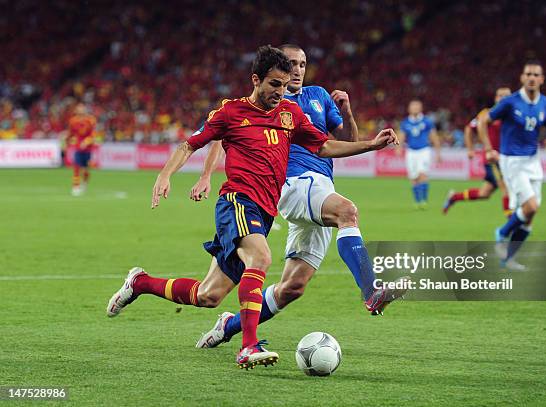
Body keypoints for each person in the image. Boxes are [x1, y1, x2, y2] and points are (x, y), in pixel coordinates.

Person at [106, 45, 398, 370]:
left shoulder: (290, 114)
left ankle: (140, 282)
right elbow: (190, 143)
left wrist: (371, 144)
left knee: (208, 296)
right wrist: (166, 174)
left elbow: (325, 145)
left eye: (285, 85)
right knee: (260, 258)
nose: (280, 92)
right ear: (256, 80)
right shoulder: (230, 112)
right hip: (236, 201)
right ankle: (247, 346)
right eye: (274, 84)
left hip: (264, 210)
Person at [192, 44, 405, 350]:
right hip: (292, 183)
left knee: (292, 287)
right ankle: (372, 292)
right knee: (347, 212)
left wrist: (347, 111)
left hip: (320, 187)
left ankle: (229, 326)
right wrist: (205, 176)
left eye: (302, 64)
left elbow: (345, 142)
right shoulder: (268, 103)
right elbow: (220, 136)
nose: (297, 70)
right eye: (291, 64)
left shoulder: (319, 96)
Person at [479, 61, 546, 270]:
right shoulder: (510, 102)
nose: (532, 77)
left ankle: (508, 259)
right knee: (531, 206)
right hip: (512, 161)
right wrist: (488, 149)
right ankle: (502, 232)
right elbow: (482, 122)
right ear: (522, 78)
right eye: (528, 74)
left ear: (542, 79)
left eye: (536, 74)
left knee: (530, 217)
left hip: (533, 161)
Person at [442, 87, 512, 215]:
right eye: (500, 96)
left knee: (484, 193)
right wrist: (470, 149)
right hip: (492, 159)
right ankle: (511, 225)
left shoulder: (514, 115)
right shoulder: (487, 114)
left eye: (507, 96)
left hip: (507, 158)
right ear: (496, 98)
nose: (503, 98)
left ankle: (454, 197)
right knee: (506, 188)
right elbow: (469, 128)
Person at [397, 100, 441, 209]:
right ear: (409, 109)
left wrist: (438, 152)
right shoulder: (406, 122)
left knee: (423, 174)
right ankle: (417, 202)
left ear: (421, 108)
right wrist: (398, 148)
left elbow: (434, 136)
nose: (415, 108)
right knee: (413, 177)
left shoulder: (427, 121)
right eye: (413, 106)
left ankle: (424, 201)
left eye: (417, 106)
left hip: (424, 150)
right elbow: (401, 136)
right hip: (411, 152)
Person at [67, 104, 96, 196]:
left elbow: (93, 135)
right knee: (76, 167)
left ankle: (85, 183)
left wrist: (86, 142)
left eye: (82, 108)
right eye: (79, 109)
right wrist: (67, 141)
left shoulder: (91, 120)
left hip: (87, 149)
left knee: (86, 169)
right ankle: (75, 186)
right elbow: (71, 133)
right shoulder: (72, 121)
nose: (81, 110)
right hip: (78, 148)